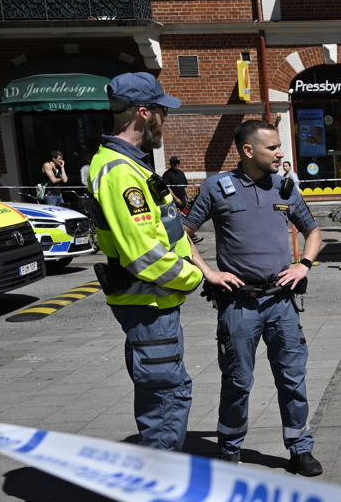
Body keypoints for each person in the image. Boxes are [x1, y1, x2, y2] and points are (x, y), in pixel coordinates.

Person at [184, 120, 324, 477]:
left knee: (293, 379)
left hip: (282, 302)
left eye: (279, 147)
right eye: (273, 148)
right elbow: (181, 234)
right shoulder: (217, 188)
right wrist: (208, 272)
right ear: (248, 151)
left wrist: (303, 265)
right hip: (238, 305)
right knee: (237, 382)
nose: (280, 154)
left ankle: (299, 448)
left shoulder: (285, 187)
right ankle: (229, 450)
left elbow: (313, 230)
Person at [87, 71, 202, 453]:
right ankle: (162, 501)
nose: (164, 119)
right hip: (149, 302)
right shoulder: (120, 172)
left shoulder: (128, 165)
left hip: (152, 301)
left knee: (164, 392)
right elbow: (143, 254)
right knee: (166, 397)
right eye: (160, 111)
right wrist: (191, 276)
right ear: (142, 113)